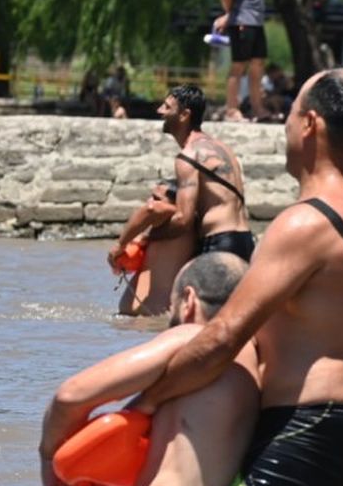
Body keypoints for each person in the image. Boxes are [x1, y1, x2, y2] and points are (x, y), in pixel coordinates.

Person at [132, 69, 343, 486]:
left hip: (309, 430)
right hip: (337, 427)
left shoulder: (306, 224)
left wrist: (143, 404)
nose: (284, 123)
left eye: (289, 111)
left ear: (310, 125)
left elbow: (223, 338)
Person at [29, 253, 259, 486]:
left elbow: (70, 396)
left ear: (189, 300)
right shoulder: (256, 368)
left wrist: (49, 460)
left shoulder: (195, 337)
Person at [109, 85, 254, 314]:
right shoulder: (222, 148)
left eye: (167, 107)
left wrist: (142, 240)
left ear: (184, 115)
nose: (159, 111)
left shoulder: (189, 156)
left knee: (202, 322)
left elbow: (183, 219)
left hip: (219, 243)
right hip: (245, 240)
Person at [214, 0, 274, 122]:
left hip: (256, 21)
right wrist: (229, 14)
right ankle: (232, 109)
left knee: (258, 63)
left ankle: (257, 108)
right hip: (242, 20)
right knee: (239, 65)